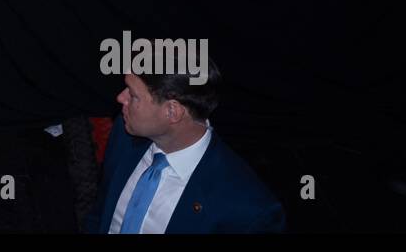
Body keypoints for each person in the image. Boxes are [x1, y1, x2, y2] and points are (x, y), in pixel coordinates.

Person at [88, 64, 285, 233]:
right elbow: (102, 211)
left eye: (133, 95)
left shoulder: (248, 210)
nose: (121, 98)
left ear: (172, 111)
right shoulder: (124, 134)